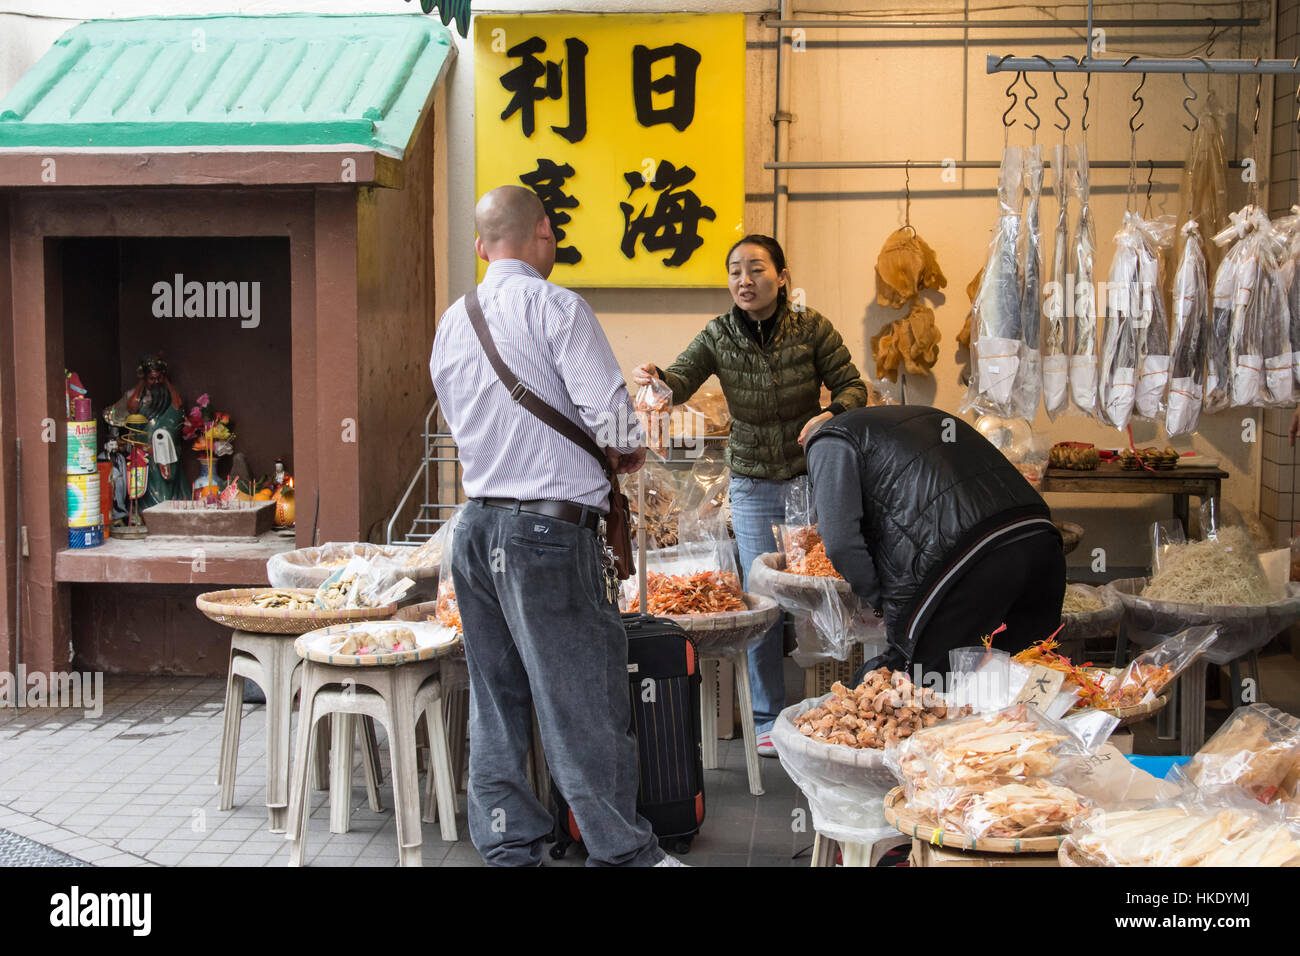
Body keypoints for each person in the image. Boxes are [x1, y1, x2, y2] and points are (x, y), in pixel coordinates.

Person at [429, 185, 679, 867]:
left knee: (496, 696)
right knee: (582, 701)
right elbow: (616, 424)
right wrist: (634, 434)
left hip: (475, 530)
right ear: (545, 232)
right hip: (545, 535)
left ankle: (512, 847)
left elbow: (465, 426)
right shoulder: (558, 307)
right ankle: (623, 853)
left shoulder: (453, 321)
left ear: (481, 246)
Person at [633, 235, 869, 756]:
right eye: (735, 270)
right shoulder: (719, 334)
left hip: (810, 479)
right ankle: (765, 716)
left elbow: (853, 387)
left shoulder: (812, 328)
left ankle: (830, 706)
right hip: (753, 481)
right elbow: (680, 377)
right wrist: (657, 381)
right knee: (761, 598)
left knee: (819, 588)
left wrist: (831, 415)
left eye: (756, 268)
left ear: (782, 276)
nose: (745, 280)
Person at [802, 405, 1065, 684]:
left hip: (968, 561)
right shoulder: (909, 418)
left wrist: (877, 599)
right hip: (1040, 540)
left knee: (910, 691)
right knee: (1026, 687)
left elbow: (841, 542)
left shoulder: (827, 442)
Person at [103, 353, 187, 507]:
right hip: (143, 453)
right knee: (143, 489)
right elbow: (131, 407)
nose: (155, 382)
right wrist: (141, 383)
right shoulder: (136, 396)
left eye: (158, 378)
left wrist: (166, 381)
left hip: (166, 454)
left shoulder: (169, 395)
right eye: (151, 378)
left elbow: (178, 406)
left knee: (168, 493)